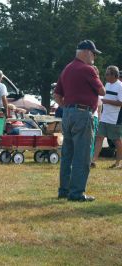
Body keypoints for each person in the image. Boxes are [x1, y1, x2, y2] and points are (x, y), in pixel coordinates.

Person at [53, 40, 105, 202]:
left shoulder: (67, 68)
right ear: (86, 52)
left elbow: (57, 95)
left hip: (67, 114)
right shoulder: (88, 69)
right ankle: (76, 193)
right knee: (82, 155)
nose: (94, 57)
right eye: (93, 53)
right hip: (83, 113)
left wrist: (68, 108)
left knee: (67, 154)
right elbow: (102, 90)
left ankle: (64, 190)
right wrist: (96, 73)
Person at [91, 65, 122, 168]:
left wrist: (106, 101)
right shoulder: (107, 84)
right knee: (99, 137)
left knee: (116, 140)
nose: (106, 76)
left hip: (115, 118)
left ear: (114, 75)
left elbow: (121, 103)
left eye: (108, 74)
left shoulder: (120, 86)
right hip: (105, 116)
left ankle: (118, 163)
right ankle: (93, 161)